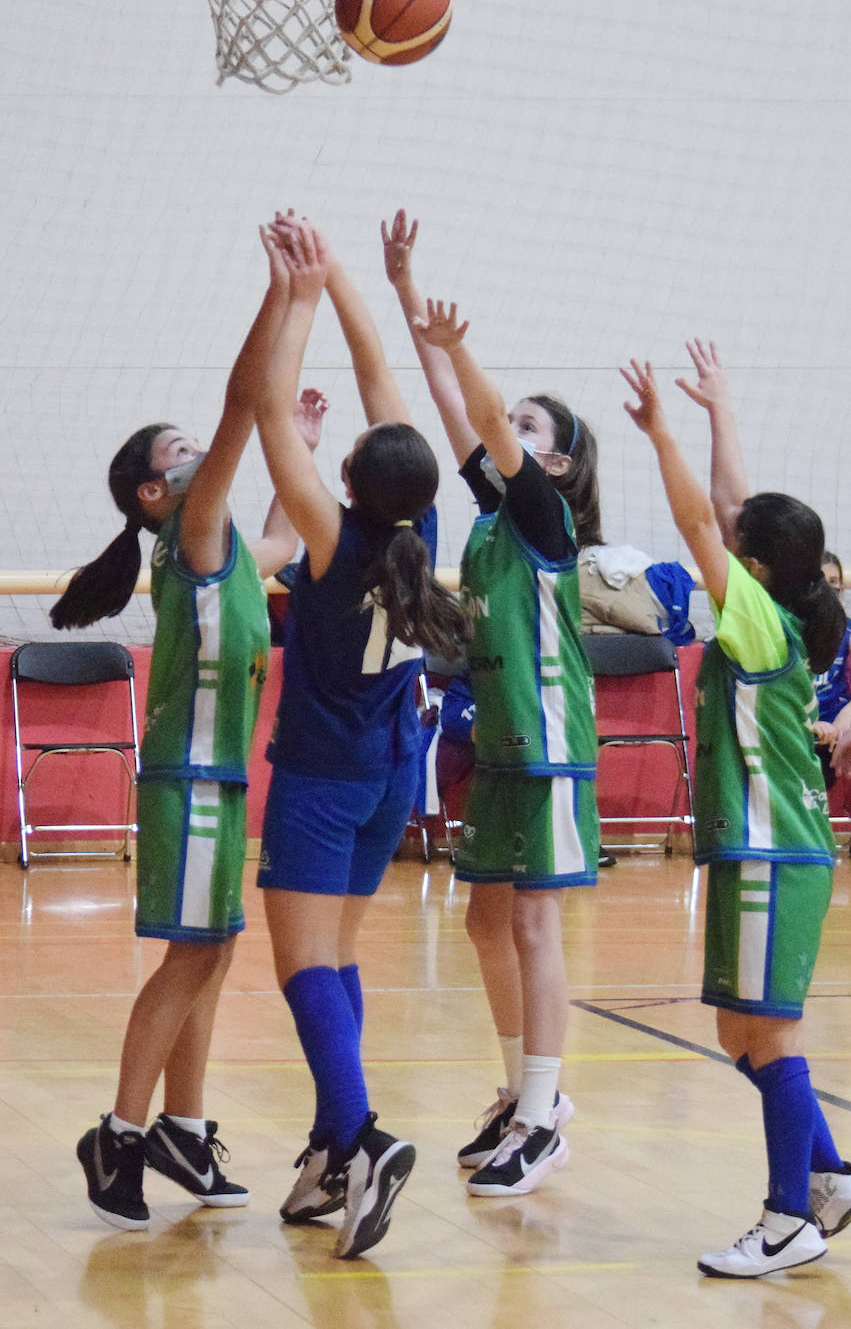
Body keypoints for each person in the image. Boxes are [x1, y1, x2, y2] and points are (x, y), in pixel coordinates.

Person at [51, 224, 315, 1232]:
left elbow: (288, 532)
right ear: (154, 494)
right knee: (192, 959)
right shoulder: (190, 533)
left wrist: (311, 440)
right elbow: (244, 405)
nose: (199, 450)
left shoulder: (228, 541)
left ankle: (186, 1130)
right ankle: (119, 1134)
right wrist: (283, 299)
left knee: (212, 953)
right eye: (179, 452)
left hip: (214, 782)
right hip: (188, 782)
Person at [621, 337, 851, 1278]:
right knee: (739, 1032)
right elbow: (730, 512)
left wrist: (663, 434)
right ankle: (830, 1177)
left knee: (767, 1033)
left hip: (773, 854)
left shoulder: (756, 620)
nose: (723, 546)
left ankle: (785, 1218)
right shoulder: (786, 599)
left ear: (756, 569)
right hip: (760, 852)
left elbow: (699, 520)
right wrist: (722, 409)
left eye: (737, 549)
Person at [252, 216, 469, 1258]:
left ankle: (365, 1136)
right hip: (389, 777)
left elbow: (265, 411)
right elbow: (382, 368)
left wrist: (296, 293)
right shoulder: (423, 534)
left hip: (323, 778)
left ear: (347, 481)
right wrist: (346, 280)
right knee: (336, 955)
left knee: (301, 967)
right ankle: (334, 1152)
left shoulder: (336, 540)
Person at [385, 215, 599, 1198]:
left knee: (533, 930)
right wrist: (408, 298)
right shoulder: (490, 518)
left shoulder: (545, 519)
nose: (505, 434)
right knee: (482, 923)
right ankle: (520, 1097)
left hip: (549, 741)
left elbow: (477, 417)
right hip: (502, 740)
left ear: (554, 465)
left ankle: (548, 1114)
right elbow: (455, 417)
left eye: (527, 429)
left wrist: (463, 349)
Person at [812, 552, 851, 811]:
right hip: (802, 714)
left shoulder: (848, 627)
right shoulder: (793, 626)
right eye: (824, 580)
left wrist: (847, 715)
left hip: (836, 711)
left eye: (835, 581)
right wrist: (811, 723)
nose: (830, 588)